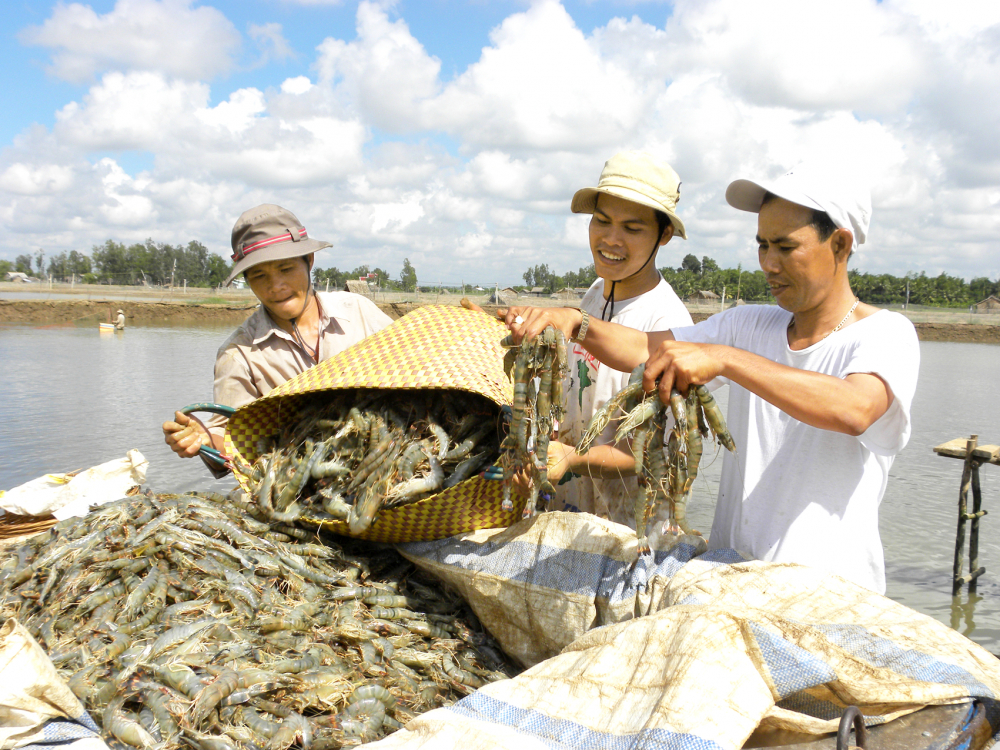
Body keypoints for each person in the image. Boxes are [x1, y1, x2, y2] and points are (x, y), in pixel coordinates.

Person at [504, 161, 919, 593]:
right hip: (732, 577)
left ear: (840, 243)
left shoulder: (884, 333)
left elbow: (855, 409)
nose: (769, 264)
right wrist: (576, 322)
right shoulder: (750, 325)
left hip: (828, 592)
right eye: (762, 245)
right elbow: (647, 348)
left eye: (785, 247)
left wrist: (724, 359)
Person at [162, 204, 393, 467]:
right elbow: (231, 439)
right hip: (303, 485)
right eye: (260, 276)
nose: (276, 286)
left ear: (309, 261)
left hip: (382, 460)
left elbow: (416, 370)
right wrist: (202, 440)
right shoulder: (238, 355)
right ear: (247, 280)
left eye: (285, 269)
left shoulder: (359, 312)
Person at [542, 151, 693, 525]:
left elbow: (640, 452)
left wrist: (571, 460)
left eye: (632, 228)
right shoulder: (596, 293)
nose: (611, 239)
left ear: (665, 234)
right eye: (602, 221)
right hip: (574, 512)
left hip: (628, 529)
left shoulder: (667, 322)